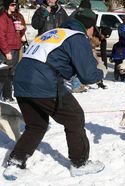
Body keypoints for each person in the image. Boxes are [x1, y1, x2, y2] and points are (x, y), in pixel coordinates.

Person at [3, 8, 106, 180]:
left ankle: (15, 162)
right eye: (92, 28)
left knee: (36, 125)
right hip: (44, 82)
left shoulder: (54, 32)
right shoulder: (77, 37)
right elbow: (88, 76)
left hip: (21, 80)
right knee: (74, 117)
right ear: (89, 27)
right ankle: (79, 163)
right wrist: (100, 72)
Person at [0, 0, 25, 102]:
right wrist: (6, 51)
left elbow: (21, 31)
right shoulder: (3, 17)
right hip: (7, 49)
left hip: (16, 47)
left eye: (15, 4)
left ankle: (7, 95)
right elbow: (1, 36)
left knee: (11, 73)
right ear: (7, 5)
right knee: (3, 73)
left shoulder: (16, 16)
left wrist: (22, 28)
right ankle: (4, 95)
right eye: (12, 4)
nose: (14, 6)